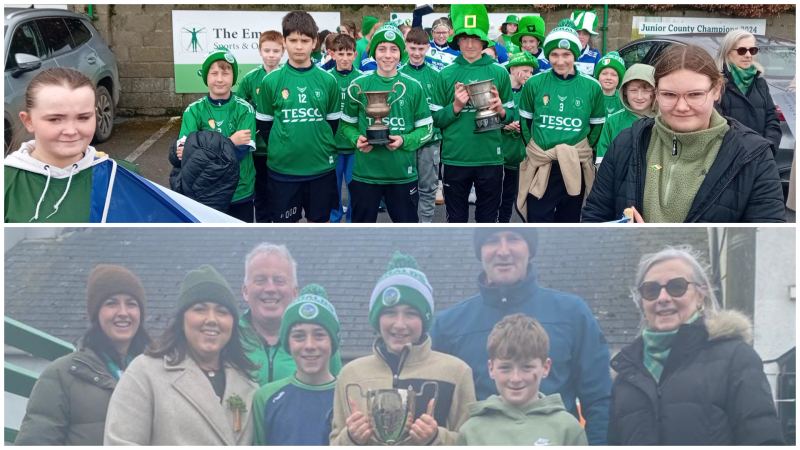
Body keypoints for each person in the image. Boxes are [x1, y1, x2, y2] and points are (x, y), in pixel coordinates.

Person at [429, 228, 611, 446]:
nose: (503, 251)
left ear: (530, 250)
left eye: (513, 239)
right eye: (492, 241)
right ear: (480, 252)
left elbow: (601, 402)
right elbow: (434, 412)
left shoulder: (573, 314)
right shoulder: (448, 325)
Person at [582, 45, 785, 223]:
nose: (681, 107)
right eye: (669, 94)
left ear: (716, 90)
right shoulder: (627, 142)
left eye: (695, 94)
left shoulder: (754, 157)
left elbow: (761, 240)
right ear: (657, 93)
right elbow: (595, 216)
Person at [608, 247, 785, 445]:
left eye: (677, 287)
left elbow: (764, 440)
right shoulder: (625, 374)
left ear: (700, 296)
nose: (663, 298)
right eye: (651, 290)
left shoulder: (735, 358)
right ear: (641, 301)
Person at [330, 252, 476, 445]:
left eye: (411, 313)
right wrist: (349, 438)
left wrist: (437, 438)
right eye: (390, 312)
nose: (399, 324)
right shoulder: (350, 374)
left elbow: (473, 440)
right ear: (377, 319)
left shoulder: (457, 372)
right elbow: (334, 442)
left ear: (424, 320)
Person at [104, 265, 258, 445]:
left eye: (222, 312)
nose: (212, 319)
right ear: (182, 320)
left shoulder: (248, 383)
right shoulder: (144, 373)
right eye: (200, 309)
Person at [15, 265, 151, 445]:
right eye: (111, 303)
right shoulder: (61, 375)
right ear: (96, 313)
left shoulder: (158, 371)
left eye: (131, 304)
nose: (123, 313)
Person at [4, 68, 142, 223]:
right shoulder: (6, 182)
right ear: (28, 121)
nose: (71, 131)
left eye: (83, 117)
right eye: (55, 119)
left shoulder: (124, 175)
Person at [431, 4, 515, 223]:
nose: (469, 44)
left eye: (475, 38)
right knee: (456, 220)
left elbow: (512, 114)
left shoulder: (498, 71)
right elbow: (437, 119)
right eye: (464, 38)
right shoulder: (446, 74)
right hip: (455, 158)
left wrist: (501, 111)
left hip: (490, 158)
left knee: (487, 221)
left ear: (484, 41)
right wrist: (456, 107)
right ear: (456, 40)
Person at [341, 24, 433, 223]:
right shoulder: (359, 85)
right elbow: (345, 125)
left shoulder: (412, 86)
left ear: (401, 53)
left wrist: (404, 140)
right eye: (382, 49)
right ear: (374, 52)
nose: (388, 55)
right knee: (362, 236)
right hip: (365, 175)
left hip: (402, 175)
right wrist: (356, 139)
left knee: (406, 235)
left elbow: (427, 128)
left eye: (394, 49)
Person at [256, 11, 341, 224]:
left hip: (320, 168)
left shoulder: (328, 81)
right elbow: (265, 125)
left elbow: (332, 123)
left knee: (319, 225)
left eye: (305, 40)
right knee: (288, 231)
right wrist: (283, 146)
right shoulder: (271, 81)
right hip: (283, 171)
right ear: (284, 42)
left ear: (315, 43)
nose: (299, 46)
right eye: (293, 40)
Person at [517, 19, 606, 223]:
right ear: (548, 55)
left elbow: (596, 126)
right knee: (537, 221)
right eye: (554, 55)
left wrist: (575, 152)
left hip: (574, 164)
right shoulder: (534, 83)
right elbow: (526, 124)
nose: (560, 61)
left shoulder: (592, 87)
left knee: (569, 221)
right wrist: (537, 149)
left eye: (566, 54)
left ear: (575, 55)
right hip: (541, 163)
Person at [456, 314, 588, 446]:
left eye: (527, 367)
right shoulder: (471, 431)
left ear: (546, 367)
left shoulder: (568, 428)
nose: (516, 378)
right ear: (491, 369)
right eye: (505, 367)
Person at [239, 243, 342, 386]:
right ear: (245, 291)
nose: (270, 288)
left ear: (295, 292)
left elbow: (335, 395)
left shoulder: (320, 344)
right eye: (260, 280)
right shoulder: (231, 339)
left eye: (279, 281)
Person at [251, 284, 340, 445]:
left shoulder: (349, 394)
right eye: (299, 336)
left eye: (319, 335)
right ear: (288, 344)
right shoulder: (265, 397)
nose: (309, 345)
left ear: (332, 343)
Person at [177, 47, 257, 222]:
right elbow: (186, 157)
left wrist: (200, 149)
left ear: (234, 77)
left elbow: (240, 153)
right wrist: (231, 141)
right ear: (206, 76)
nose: (220, 79)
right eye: (213, 73)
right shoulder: (193, 111)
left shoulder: (245, 109)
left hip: (240, 191)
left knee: (242, 244)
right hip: (205, 193)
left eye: (226, 73)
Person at [237, 31, 285, 223]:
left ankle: (280, 225)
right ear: (259, 51)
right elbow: (239, 108)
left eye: (275, 50)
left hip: (282, 149)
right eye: (267, 50)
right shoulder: (250, 79)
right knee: (261, 192)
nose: (271, 55)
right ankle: (264, 225)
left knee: (281, 192)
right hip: (258, 150)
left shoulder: (287, 77)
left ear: (283, 52)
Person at [400, 27, 443, 223]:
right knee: (404, 189)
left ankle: (425, 227)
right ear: (405, 47)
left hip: (430, 141)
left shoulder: (437, 76)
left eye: (421, 48)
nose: (417, 53)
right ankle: (407, 227)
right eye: (412, 48)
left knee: (428, 188)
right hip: (405, 143)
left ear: (428, 47)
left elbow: (441, 111)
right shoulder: (398, 75)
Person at [715, 30, 782, 155]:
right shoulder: (716, 83)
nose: (748, 55)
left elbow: (772, 120)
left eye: (752, 50)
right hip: (729, 158)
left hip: (761, 157)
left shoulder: (760, 82)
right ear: (727, 52)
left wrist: (768, 149)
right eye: (741, 50)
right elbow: (716, 125)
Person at [327, 34, 363, 223]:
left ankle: (352, 223)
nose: (345, 58)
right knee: (331, 189)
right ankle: (333, 222)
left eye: (349, 53)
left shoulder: (362, 79)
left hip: (355, 146)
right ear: (332, 54)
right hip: (332, 145)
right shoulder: (326, 79)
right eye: (341, 53)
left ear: (355, 55)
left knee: (354, 188)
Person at [499, 52, 538, 223]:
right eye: (525, 71)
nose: (529, 75)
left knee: (509, 196)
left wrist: (524, 127)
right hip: (498, 153)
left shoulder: (529, 93)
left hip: (518, 154)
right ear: (513, 69)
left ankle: (503, 224)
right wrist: (504, 124)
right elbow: (483, 117)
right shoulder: (499, 90)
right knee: (493, 196)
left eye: (531, 72)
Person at [596, 64, 656, 161]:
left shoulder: (664, 121)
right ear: (624, 91)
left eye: (646, 90)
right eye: (633, 90)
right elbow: (602, 159)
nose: (639, 97)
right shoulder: (613, 121)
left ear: (655, 92)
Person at [569, 10, 602, 77]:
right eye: (578, 32)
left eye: (585, 33)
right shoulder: (564, 53)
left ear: (589, 36)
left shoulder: (595, 55)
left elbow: (598, 79)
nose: (581, 37)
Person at [595, 51, 626, 117]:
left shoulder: (624, 100)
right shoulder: (591, 97)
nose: (608, 78)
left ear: (619, 78)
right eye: (604, 74)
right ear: (598, 76)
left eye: (614, 75)